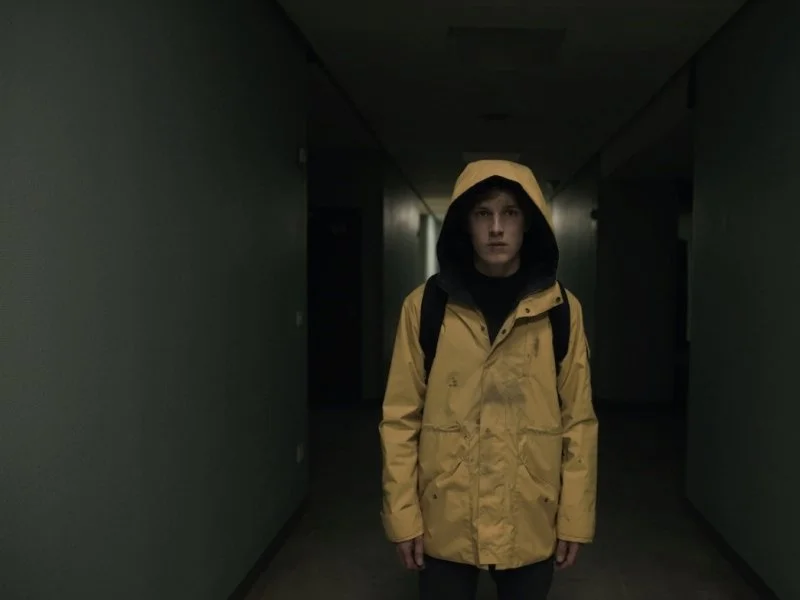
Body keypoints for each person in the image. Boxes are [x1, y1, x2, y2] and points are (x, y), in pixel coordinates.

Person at [378, 160, 598, 600]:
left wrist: (574, 517)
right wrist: (403, 517)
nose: (497, 228)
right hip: (446, 517)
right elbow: (400, 419)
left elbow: (578, 421)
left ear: (528, 222)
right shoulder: (426, 307)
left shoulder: (560, 310)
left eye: (509, 212)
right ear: (465, 223)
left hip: (529, 514)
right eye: (483, 213)